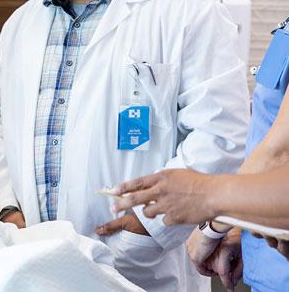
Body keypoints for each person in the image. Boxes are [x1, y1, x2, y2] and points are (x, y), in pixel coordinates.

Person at [0, 0, 249, 291]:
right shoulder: (21, 26)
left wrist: (148, 228)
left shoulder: (185, 12)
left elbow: (220, 136)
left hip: (141, 266)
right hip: (32, 259)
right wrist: (7, 210)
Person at [111, 17, 289, 291]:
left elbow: (279, 154)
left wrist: (213, 220)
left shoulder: (194, 13)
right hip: (269, 261)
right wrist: (240, 223)